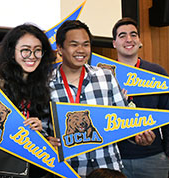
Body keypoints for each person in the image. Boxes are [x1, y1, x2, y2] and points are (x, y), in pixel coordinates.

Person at [47, 20, 128, 178]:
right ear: (59, 48)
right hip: (67, 170)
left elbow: (124, 118)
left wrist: (138, 136)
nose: (81, 50)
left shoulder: (106, 76)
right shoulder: (45, 84)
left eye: (86, 44)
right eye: (74, 44)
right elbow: (41, 129)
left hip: (107, 168)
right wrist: (46, 141)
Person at [0, 23, 55, 178]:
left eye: (37, 50)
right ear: (12, 52)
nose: (32, 56)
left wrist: (42, 134)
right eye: (25, 50)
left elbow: (49, 134)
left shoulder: (45, 88)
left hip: (33, 170)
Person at [112, 17, 169, 178]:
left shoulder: (156, 72)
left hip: (153, 158)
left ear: (139, 41)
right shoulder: (104, 74)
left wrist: (167, 153)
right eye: (122, 35)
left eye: (133, 34)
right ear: (114, 43)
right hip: (116, 158)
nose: (128, 39)